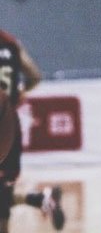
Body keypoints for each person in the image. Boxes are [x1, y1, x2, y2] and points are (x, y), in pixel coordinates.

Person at [0, 30, 65, 232]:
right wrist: (18, 91)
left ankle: (40, 199)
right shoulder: (10, 43)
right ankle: (41, 199)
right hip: (8, 123)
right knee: (2, 192)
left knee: (1, 199)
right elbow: (35, 76)